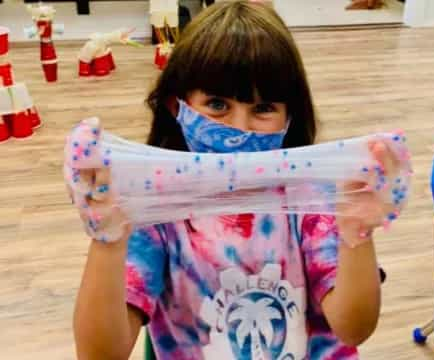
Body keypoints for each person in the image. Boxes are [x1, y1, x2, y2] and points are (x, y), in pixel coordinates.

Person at [73, 2, 398, 359]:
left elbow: (354, 328)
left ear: (291, 116)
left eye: (263, 109)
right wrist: (107, 243)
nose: (239, 129)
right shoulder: (155, 210)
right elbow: (100, 354)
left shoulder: (313, 196)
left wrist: (357, 233)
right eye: (216, 104)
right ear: (175, 106)